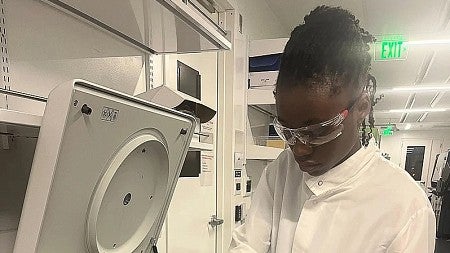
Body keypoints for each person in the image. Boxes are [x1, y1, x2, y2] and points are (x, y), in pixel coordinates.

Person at [229, 5, 436, 253]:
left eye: (316, 131)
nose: (299, 150)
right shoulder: (280, 172)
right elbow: (247, 244)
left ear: (362, 107)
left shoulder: (406, 206)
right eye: (288, 131)